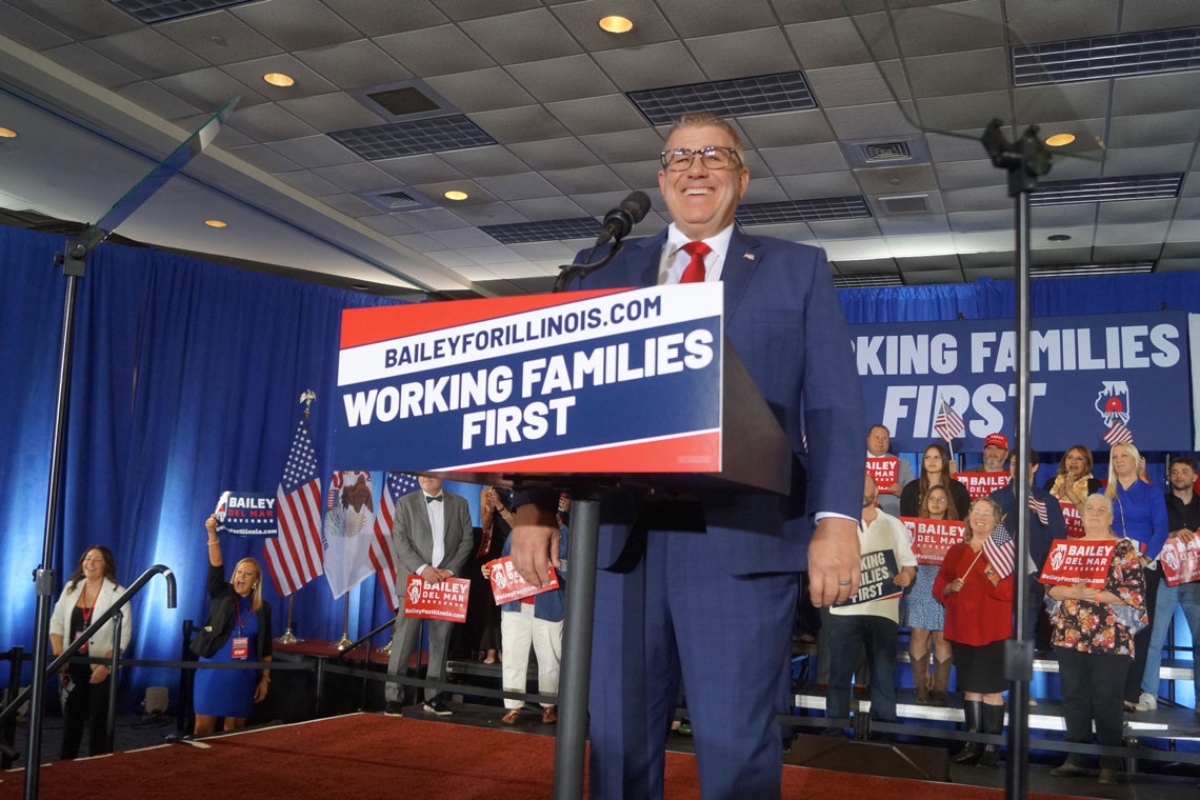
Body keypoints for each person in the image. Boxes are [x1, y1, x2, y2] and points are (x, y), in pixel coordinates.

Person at [509, 111, 866, 800]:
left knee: (735, 748)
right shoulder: (600, 267)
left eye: (713, 155)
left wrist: (837, 520)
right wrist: (531, 503)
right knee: (612, 744)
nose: (695, 168)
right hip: (615, 544)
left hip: (738, 542)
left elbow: (833, 406)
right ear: (661, 177)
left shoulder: (798, 270)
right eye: (679, 158)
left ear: (742, 175)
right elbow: (554, 390)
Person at [1047, 493, 1146, 785]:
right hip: (1069, 634)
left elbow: (1135, 594)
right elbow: (1051, 587)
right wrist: (1074, 593)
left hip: (1110, 637)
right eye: (1089, 508)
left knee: (1106, 700)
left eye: (1100, 509)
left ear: (1111, 517)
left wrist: (1098, 595)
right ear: (1081, 514)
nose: (1093, 513)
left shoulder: (1124, 548)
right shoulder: (1068, 546)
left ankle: (1109, 763)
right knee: (1074, 697)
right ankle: (1075, 758)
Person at [824, 474, 916, 735]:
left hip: (883, 610)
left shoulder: (894, 524)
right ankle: (834, 731)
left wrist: (906, 576)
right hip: (845, 609)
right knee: (839, 676)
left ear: (877, 492)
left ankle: (885, 732)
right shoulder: (837, 526)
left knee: (883, 677)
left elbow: (909, 564)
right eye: (857, 483)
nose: (861, 488)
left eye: (866, 483)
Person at [933, 497, 1013, 767]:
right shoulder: (956, 550)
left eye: (986, 513)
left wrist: (993, 576)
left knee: (990, 690)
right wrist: (948, 588)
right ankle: (972, 744)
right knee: (970, 688)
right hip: (962, 628)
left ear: (996, 520)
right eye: (975, 512)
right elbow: (939, 583)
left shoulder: (1004, 552)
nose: (980, 517)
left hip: (993, 629)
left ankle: (992, 747)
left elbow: (1012, 591)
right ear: (968, 518)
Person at [384, 476, 473, 717]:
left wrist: (450, 570)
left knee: (440, 643)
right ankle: (393, 698)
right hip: (415, 581)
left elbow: (467, 541)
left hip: (445, 583)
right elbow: (400, 540)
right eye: (420, 474)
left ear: (441, 477)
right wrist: (423, 569)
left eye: (429, 474)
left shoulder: (460, 504)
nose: (423, 478)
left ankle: (433, 698)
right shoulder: (405, 503)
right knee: (403, 641)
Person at [486, 503, 568, 725]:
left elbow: (576, 569)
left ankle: (548, 706)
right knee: (512, 655)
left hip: (549, 605)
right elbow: (504, 563)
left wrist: (557, 566)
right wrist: (490, 570)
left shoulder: (565, 534)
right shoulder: (516, 533)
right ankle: (513, 706)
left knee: (550, 658)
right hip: (516, 605)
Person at [49, 545, 130, 759]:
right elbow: (56, 624)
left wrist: (106, 665)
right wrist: (59, 656)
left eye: (97, 560)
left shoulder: (118, 593)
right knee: (70, 723)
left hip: (100, 669)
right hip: (71, 667)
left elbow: (122, 637)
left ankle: (98, 768)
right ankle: (66, 767)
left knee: (99, 725)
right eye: (87, 558)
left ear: (107, 566)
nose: (90, 563)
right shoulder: (71, 588)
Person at [192, 517, 272, 735]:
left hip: (242, 676)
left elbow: (265, 649)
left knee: (235, 730)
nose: (240, 577)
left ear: (256, 581)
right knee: (203, 727)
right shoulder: (222, 594)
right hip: (213, 670)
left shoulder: (263, 608)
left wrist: (265, 679)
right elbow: (216, 565)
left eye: (247, 574)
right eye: (238, 572)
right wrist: (212, 534)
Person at [1105, 441, 1168, 710]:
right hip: (1112, 571)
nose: (1119, 460)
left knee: (1139, 630)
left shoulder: (1152, 494)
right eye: (1114, 457)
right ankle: (1109, 692)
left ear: (1135, 460)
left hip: (1143, 569)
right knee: (1112, 629)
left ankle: (1130, 694)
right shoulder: (1105, 493)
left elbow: (1161, 528)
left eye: (1124, 456)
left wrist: (1145, 559)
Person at [990, 448, 1065, 656]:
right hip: (999, 575)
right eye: (1013, 464)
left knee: (1024, 634)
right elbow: (985, 534)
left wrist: (1048, 578)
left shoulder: (1048, 502)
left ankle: (1020, 686)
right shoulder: (995, 498)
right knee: (999, 631)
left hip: (1034, 577)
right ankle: (998, 685)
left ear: (1034, 467)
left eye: (1023, 464)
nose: (1017, 469)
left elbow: (1058, 543)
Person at [1139, 456, 1200, 710]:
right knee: (1154, 639)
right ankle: (1149, 694)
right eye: (1174, 472)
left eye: (1184, 472)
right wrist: (1173, 535)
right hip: (1166, 578)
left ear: (1195, 476)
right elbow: (1151, 531)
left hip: (1196, 581)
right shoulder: (1160, 502)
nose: (1179, 476)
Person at [904, 484, 959, 705]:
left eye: (941, 499)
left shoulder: (958, 530)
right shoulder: (912, 528)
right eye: (932, 499)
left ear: (949, 504)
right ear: (925, 503)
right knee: (919, 634)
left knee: (942, 637)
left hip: (944, 582)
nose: (936, 503)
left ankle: (939, 689)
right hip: (919, 581)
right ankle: (920, 686)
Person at [899, 442, 971, 520]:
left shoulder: (958, 488)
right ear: (923, 462)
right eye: (928, 457)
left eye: (936, 457)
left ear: (944, 461)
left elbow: (964, 518)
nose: (932, 461)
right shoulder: (910, 489)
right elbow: (906, 520)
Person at [1044, 445, 1103, 537]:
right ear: (1064, 462)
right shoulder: (1051, 483)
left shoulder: (1093, 485)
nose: (1073, 462)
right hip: (1052, 539)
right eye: (1070, 457)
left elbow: (1094, 516)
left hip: (1081, 540)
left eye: (1079, 459)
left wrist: (1070, 493)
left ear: (1086, 464)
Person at [866, 424, 913, 518]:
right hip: (861, 517)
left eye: (884, 438)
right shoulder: (855, 463)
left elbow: (913, 493)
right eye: (877, 437)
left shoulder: (902, 464)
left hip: (891, 517)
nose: (880, 441)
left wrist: (903, 491)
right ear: (868, 439)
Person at [955, 433, 1012, 501]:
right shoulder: (966, 475)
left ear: (1006, 454)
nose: (993, 453)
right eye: (989, 448)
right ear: (983, 451)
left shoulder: (1012, 478)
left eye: (998, 449)